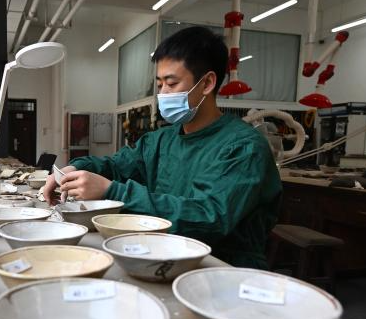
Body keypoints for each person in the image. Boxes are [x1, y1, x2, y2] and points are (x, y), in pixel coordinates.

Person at [42, 25, 282, 269]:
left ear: (207, 83)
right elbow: (115, 166)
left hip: (223, 268)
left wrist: (113, 192)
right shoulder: (160, 140)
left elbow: (209, 218)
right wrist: (74, 169)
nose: (163, 94)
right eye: (159, 85)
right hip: (162, 255)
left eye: (171, 83)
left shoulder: (243, 147)